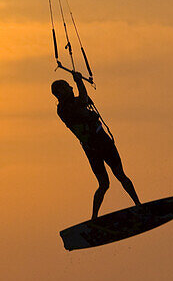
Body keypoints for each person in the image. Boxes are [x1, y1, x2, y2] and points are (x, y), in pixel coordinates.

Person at [51, 70, 141, 219]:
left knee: (115, 178)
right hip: (98, 145)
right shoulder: (65, 108)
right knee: (108, 181)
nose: (71, 88)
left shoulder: (68, 105)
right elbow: (84, 100)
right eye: (68, 87)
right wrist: (79, 81)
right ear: (60, 92)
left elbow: (83, 101)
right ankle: (95, 217)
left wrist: (78, 83)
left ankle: (137, 204)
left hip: (95, 146)